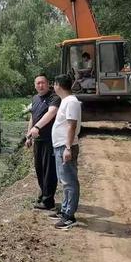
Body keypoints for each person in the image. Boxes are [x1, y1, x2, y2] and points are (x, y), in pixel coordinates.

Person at [50, 74, 82, 230]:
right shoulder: (65, 101)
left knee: (69, 182)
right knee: (64, 181)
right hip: (60, 146)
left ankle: (70, 216)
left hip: (65, 147)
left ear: (58, 85)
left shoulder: (71, 102)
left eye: (54, 83)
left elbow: (71, 126)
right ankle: (64, 210)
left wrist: (68, 148)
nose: (53, 86)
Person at [25, 74, 61, 211]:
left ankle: (48, 201)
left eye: (43, 83)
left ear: (48, 84)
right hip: (37, 140)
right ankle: (43, 193)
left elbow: (51, 113)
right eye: (38, 83)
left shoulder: (54, 98)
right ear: (35, 85)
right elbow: (32, 118)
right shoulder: (35, 99)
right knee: (39, 169)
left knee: (49, 170)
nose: (41, 85)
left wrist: (37, 127)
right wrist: (28, 136)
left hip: (49, 139)